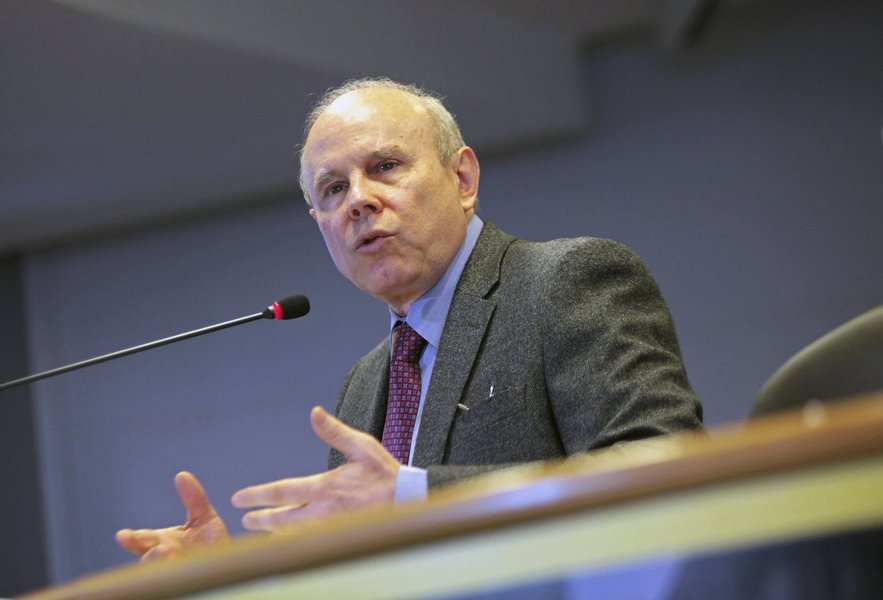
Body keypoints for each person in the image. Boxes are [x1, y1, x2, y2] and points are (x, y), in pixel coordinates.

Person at [116, 77, 703, 560]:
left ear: (462, 178)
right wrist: (228, 578)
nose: (359, 201)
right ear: (320, 224)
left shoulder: (564, 281)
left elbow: (662, 464)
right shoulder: (364, 386)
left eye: (387, 165)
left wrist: (415, 496)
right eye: (333, 188)